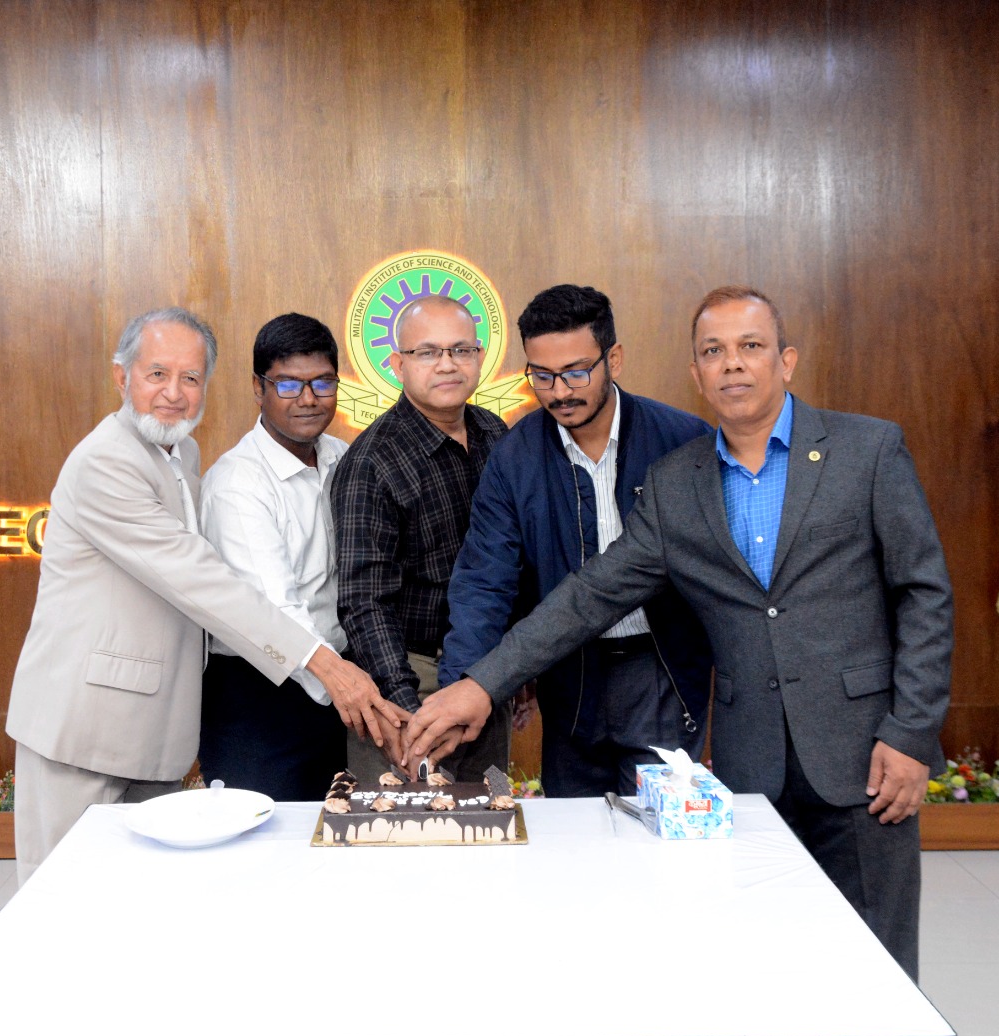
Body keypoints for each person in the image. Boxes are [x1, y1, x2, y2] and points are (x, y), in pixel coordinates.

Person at [408, 286, 952, 980]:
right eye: (713, 352)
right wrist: (479, 684)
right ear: (696, 373)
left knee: (875, 964)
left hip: (861, 754)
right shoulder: (677, 482)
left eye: (750, 347)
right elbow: (587, 596)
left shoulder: (866, 449)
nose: (733, 365)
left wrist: (910, 733)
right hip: (749, 759)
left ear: (786, 360)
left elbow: (924, 596)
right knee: (756, 955)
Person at [6, 308, 402, 882]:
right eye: (157, 374)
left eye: (190, 378)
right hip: (84, 722)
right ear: (121, 377)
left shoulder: (180, 452)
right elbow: (201, 580)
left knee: (147, 899)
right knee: (64, 894)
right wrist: (325, 663)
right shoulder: (105, 462)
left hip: (154, 721)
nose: (174, 393)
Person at [440, 284, 713, 798]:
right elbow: (484, 582)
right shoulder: (515, 457)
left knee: (657, 830)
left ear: (615, 359)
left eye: (576, 372)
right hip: (568, 673)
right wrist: (462, 687)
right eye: (542, 376)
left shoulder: (683, 441)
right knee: (574, 831)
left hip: (663, 671)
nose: (560, 392)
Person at [330, 294, 509, 781]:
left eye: (461, 350)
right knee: (405, 823)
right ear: (397, 365)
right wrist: (405, 712)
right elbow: (365, 601)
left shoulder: (495, 433)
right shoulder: (372, 462)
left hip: (485, 674)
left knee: (485, 817)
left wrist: (511, 671)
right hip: (411, 679)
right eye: (428, 352)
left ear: (479, 357)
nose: (447, 364)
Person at [198, 313, 351, 800]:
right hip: (260, 699)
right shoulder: (237, 483)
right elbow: (273, 612)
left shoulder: (344, 458)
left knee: (334, 835)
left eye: (322, 382)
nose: (308, 399)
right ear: (258, 388)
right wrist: (347, 686)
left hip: (335, 686)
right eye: (288, 384)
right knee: (265, 837)